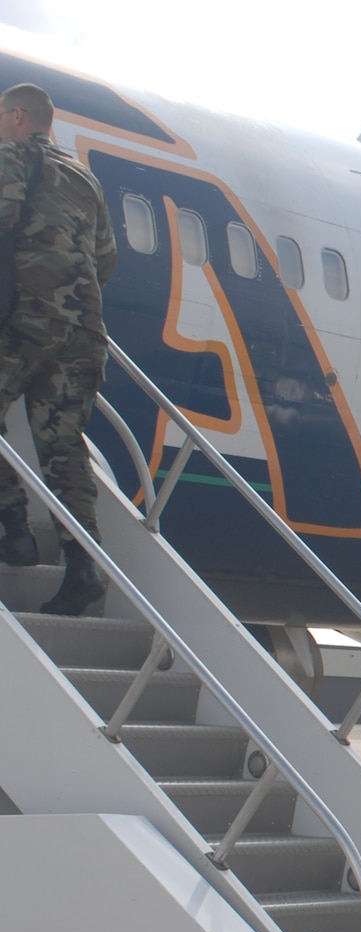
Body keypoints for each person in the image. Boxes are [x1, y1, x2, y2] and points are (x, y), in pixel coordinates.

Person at [0, 82, 118, 615]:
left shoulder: (13, 154)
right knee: (63, 447)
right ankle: (81, 568)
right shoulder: (83, 177)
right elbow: (106, 259)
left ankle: (15, 528)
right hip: (84, 329)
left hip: (28, 318)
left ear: (18, 116)